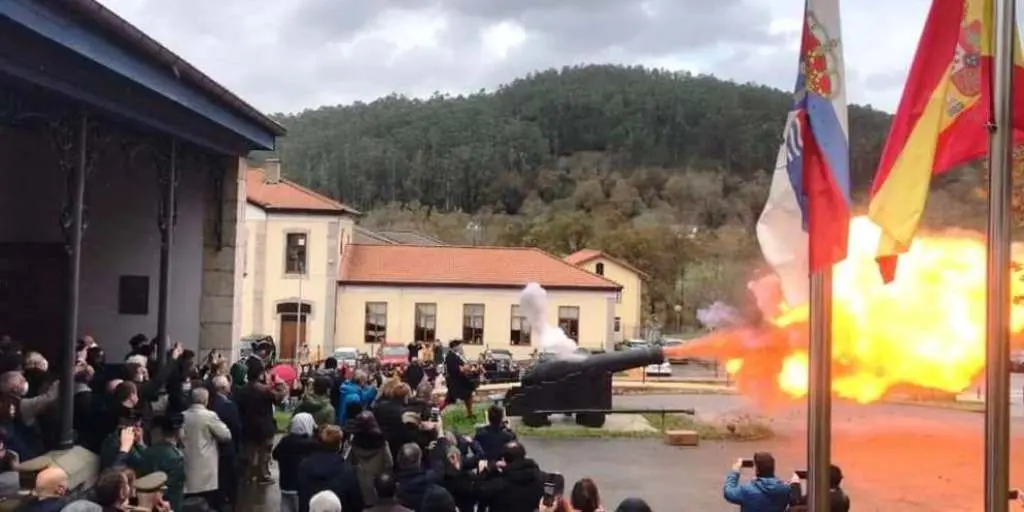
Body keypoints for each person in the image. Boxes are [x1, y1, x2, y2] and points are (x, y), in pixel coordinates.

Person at [181, 387, 232, 508]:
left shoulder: (183, 415)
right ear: (206, 400)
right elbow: (225, 435)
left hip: (186, 461)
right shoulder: (209, 416)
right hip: (205, 467)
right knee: (206, 501)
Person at [297, 425, 363, 512]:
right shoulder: (347, 470)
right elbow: (356, 503)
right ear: (340, 445)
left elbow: (300, 493)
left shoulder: (304, 465)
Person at [476, 441, 545, 512]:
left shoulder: (499, 484)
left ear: (504, 459)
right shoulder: (538, 476)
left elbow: (479, 494)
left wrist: (486, 471)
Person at [274, 413, 320, 512]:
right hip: (301, 486)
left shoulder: (285, 441)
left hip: (285, 484)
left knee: (286, 506)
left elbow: (275, 455)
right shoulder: (312, 445)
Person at [349, 411, 394, 507]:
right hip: (377, 484)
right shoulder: (382, 441)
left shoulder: (354, 442)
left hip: (359, 483)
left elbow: (350, 462)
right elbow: (389, 463)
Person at [722, 452, 793, 511]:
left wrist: (735, 472)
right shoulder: (785, 489)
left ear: (757, 469)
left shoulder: (747, 490)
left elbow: (728, 492)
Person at [443, 341, 477, 418]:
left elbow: (463, 365)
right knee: (448, 400)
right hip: (455, 382)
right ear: (455, 346)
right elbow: (458, 369)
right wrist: (467, 368)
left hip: (460, 381)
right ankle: (437, 411)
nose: (461, 347)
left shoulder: (456, 356)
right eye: (459, 346)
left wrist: (469, 367)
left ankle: (470, 413)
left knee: (468, 394)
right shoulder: (450, 356)